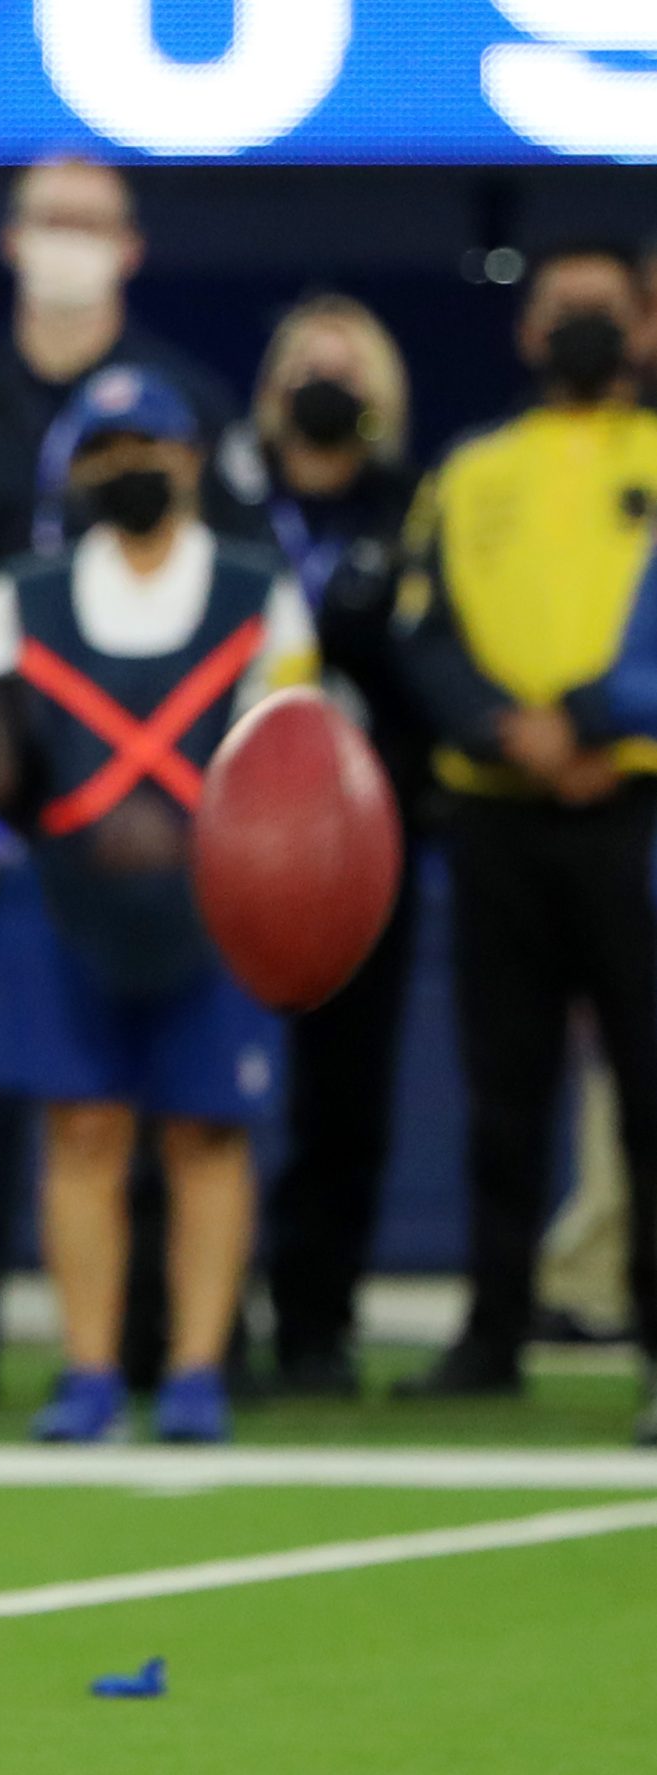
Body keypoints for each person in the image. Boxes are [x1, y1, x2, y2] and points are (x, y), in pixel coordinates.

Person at [0, 156, 267, 1403]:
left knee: (205, 1130)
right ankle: (76, 1367)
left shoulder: (250, 584)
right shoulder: (8, 542)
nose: (130, 464)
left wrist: (276, 849)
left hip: (204, 886)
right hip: (56, 872)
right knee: (72, 1123)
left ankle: (200, 1362)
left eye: (146, 444)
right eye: (105, 448)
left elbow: (304, 724)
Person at [387, 246, 657, 1408]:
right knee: (502, 1089)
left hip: (633, 807)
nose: (584, 327)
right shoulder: (470, 470)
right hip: (496, 812)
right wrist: (510, 732)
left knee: (649, 1090)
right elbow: (422, 628)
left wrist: (593, 722)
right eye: (562, 310)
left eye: (604, 308)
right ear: (524, 333)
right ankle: (491, 1333)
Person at [244, 297, 423, 1398]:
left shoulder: (409, 511)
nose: (325, 383)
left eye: (346, 366)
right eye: (305, 363)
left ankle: (318, 1319)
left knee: (347, 1093)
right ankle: (197, 1319)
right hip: (235, 828)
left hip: (364, 835)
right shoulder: (230, 508)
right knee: (211, 1092)